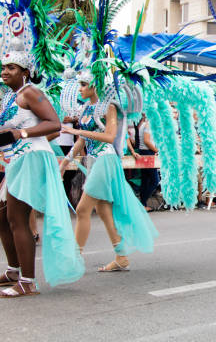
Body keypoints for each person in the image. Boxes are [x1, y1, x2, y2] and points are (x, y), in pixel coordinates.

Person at [0, 43, 84, 297]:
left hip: (32, 160)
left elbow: (55, 124)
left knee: (17, 218)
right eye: (3, 67)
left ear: (25, 72)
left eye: (11, 67)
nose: (4, 72)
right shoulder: (10, 97)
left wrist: (21, 134)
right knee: (2, 218)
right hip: (18, 160)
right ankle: (14, 270)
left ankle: (28, 281)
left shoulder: (31, 92)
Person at [60, 73, 158, 271]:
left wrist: (78, 132)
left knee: (82, 209)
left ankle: (75, 258)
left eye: (84, 84)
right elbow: (82, 141)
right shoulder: (86, 108)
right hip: (94, 161)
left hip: (106, 159)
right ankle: (121, 257)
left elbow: (109, 136)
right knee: (104, 210)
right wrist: (65, 162)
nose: (80, 88)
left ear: (95, 86)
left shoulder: (109, 107)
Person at [133, 114, 159, 211]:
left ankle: (142, 204)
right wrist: (156, 150)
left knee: (146, 180)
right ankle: (141, 203)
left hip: (144, 152)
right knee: (154, 180)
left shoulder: (143, 123)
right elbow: (147, 141)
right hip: (147, 152)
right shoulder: (148, 124)